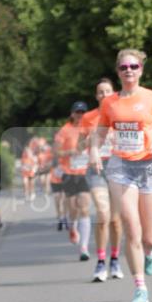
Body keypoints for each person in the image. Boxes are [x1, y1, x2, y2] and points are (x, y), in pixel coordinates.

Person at [90, 49, 152, 302]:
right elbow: (98, 134)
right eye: (123, 67)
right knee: (132, 228)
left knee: (149, 237)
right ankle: (140, 288)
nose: (128, 70)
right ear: (118, 72)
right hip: (121, 167)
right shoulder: (110, 103)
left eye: (133, 66)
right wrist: (95, 151)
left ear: (141, 69)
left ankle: (149, 252)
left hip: (150, 166)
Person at [80, 78, 124, 282]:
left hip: (117, 168)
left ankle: (114, 259)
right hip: (96, 168)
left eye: (107, 91)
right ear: (96, 96)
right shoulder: (88, 117)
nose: (104, 95)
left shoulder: (122, 112)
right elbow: (79, 146)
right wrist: (89, 141)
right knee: (103, 214)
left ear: (113, 92)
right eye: (100, 92)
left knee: (115, 220)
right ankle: (100, 262)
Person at [54, 102, 93, 260]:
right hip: (69, 172)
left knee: (84, 207)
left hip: (85, 172)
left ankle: (84, 248)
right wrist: (69, 152)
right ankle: (72, 227)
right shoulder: (64, 130)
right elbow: (56, 151)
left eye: (83, 112)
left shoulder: (90, 128)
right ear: (72, 113)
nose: (80, 114)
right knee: (72, 207)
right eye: (77, 112)